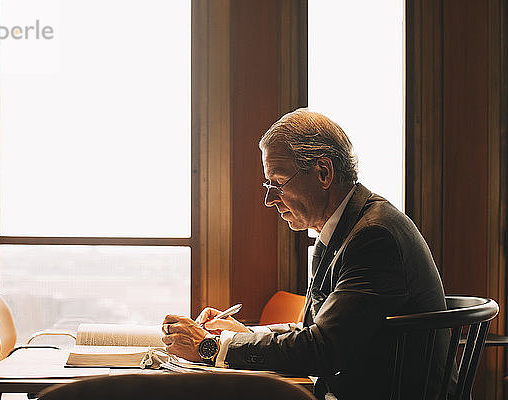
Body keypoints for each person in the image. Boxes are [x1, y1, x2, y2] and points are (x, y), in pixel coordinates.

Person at [162, 109, 450, 400]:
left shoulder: (374, 237)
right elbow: (314, 330)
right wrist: (240, 336)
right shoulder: (344, 228)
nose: (269, 199)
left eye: (278, 182)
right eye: (268, 184)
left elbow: (322, 349)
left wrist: (210, 347)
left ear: (323, 173)